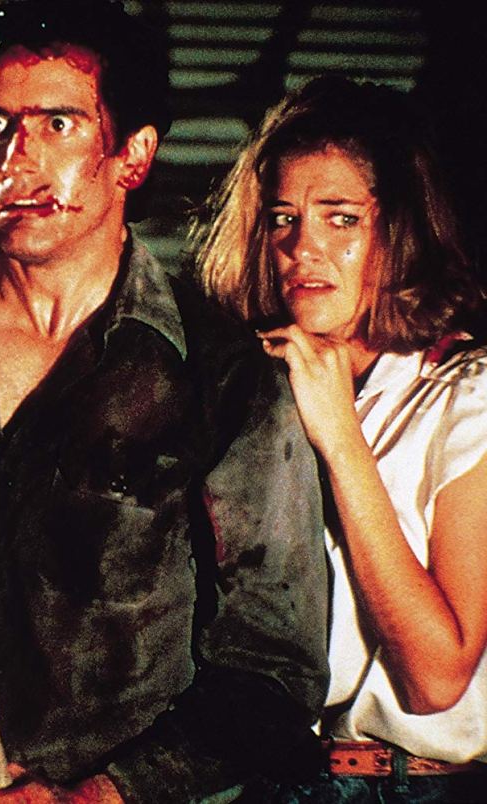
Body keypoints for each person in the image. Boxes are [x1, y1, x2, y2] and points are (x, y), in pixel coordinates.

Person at [0, 2, 330, 802]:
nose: (17, 157)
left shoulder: (220, 376)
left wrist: (100, 796)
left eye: (58, 124)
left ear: (132, 155)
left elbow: (274, 670)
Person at [198, 76, 487, 802]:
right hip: (268, 781)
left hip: (416, 787)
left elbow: (436, 680)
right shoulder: (249, 389)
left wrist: (342, 438)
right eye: (283, 219)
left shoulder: (467, 395)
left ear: (400, 231)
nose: (304, 248)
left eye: (342, 219)